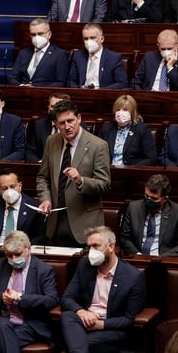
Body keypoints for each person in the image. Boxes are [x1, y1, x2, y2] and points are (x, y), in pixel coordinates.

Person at [60, 226, 146, 353]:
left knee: (76, 347)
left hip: (111, 331)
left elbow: (128, 320)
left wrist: (101, 325)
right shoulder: (84, 265)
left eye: (96, 246)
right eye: (89, 246)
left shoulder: (133, 277)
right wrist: (82, 312)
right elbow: (67, 298)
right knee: (68, 316)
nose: (91, 251)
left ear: (111, 246)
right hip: (84, 324)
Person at [36, 100, 110, 247]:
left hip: (85, 225)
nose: (67, 127)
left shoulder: (98, 146)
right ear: (56, 124)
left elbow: (104, 185)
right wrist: (45, 199)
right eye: (62, 123)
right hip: (56, 223)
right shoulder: (52, 141)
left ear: (79, 118)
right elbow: (43, 177)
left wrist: (81, 180)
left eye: (70, 121)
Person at [118, 174, 178, 257]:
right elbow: (124, 238)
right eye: (146, 196)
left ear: (165, 199)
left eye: (154, 198)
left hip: (164, 260)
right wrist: (138, 255)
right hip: (137, 258)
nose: (148, 201)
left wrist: (160, 258)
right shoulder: (133, 208)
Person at [0, 168, 46, 245]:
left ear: (20, 186)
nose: (9, 192)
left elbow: (40, 237)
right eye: (5, 188)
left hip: (23, 251)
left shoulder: (33, 206)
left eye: (12, 186)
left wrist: (24, 249)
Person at [98, 94, 158, 166]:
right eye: (118, 110)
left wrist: (132, 169)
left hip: (132, 172)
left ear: (132, 112)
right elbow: (96, 153)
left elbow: (152, 158)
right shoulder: (106, 128)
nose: (121, 113)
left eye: (125, 110)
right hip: (108, 171)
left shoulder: (142, 129)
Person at [8, 18, 69, 87]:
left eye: (40, 34)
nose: (37, 37)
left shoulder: (59, 54)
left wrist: (38, 90)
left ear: (49, 34)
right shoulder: (23, 53)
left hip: (45, 95)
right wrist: (22, 86)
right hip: (23, 93)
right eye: (33, 34)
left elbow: (61, 82)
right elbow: (12, 77)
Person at [68, 23, 128, 89]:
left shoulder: (114, 58)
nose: (89, 41)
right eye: (86, 39)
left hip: (103, 95)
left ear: (102, 39)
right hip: (82, 95)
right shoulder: (78, 56)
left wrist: (100, 91)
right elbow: (71, 80)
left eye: (92, 38)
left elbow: (122, 83)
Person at [26, 92, 71, 162]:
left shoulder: (77, 126)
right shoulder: (39, 125)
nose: (56, 110)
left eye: (59, 107)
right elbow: (30, 152)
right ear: (48, 109)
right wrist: (40, 164)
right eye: (53, 107)